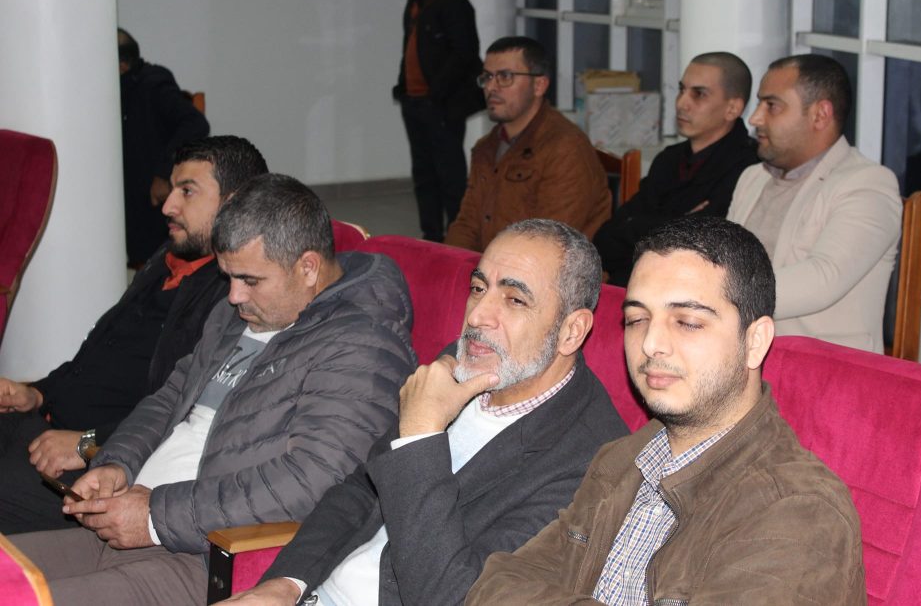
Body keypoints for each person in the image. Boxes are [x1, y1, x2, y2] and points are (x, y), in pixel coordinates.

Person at [9, 174, 417, 606]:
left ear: (308, 268)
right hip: (132, 522)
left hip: (206, 558)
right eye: (229, 277)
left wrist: (155, 516)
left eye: (250, 280)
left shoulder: (361, 345)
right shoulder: (245, 313)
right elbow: (169, 398)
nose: (234, 296)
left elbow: (313, 482)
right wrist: (118, 463)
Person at [220, 219, 628, 606]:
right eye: (478, 288)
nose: (477, 316)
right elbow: (362, 489)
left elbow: (452, 597)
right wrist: (286, 583)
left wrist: (420, 435)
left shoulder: (593, 463)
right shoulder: (464, 362)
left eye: (515, 299)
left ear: (572, 331)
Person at [467, 216, 866, 605]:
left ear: (755, 341)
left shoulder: (797, 510)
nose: (651, 343)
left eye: (687, 322)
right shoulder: (624, 457)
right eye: (637, 319)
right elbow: (497, 583)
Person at [0, 135, 267, 535]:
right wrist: (36, 393)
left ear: (234, 204)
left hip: (97, 467)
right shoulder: (169, 258)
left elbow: (182, 416)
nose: (168, 205)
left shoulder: (233, 297)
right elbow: (95, 357)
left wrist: (86, 444)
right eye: (172, 189)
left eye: (187, 191)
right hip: (47, 428)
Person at [727, 54, 901, 352]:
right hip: (741, 358)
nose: (754, 118)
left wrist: (714, 294)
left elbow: (823, 279)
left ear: (820, 115)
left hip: (822, 366)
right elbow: (725, 260)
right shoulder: (753, 177)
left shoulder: (868, 184)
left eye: (772, 105)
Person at [593, 52, 759, 285]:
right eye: (682, 90)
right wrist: (677, 223)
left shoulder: (749, 168)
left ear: (732, 108)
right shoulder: (668, 160)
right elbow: (605, 242)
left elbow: (698, 255)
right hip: (633, 281)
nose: (681, 103)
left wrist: (638, 225)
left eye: (699, 94)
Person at [444, 37, 611, 252]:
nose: (491, 87)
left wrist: (482, 269)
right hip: (494, 265)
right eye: (487, 77)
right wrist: (447, 263)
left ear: (539, 85)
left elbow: (549, 245)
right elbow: (467, 225)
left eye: (505, 76)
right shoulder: (486, 146)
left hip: (547, 269)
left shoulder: (566, 148)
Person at [393, 0, 484, 243]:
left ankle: (457, 239)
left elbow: (465, 53)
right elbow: (410, 48)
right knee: (424, 174)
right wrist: (403, 87)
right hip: (414, 102)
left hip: (442, 106)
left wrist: (436, 93)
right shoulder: (415, 1)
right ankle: (430, 236)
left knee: (450, 176)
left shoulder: (452, 1)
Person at [119, 27, 211, 266]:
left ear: (122, 66)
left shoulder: (152, 85)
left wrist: (163, 173)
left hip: (151, 204)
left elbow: (195, 124)